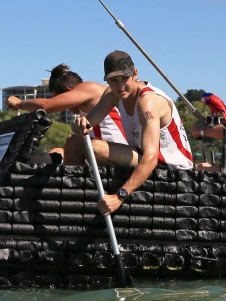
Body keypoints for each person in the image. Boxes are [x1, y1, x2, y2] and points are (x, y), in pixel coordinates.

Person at [67, 50, 194, 215]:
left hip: (172, 169)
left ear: (135, 74)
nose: (120, 87)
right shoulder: (112, 94)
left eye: (124, 79)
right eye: (113, 80)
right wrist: (79, 124)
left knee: (95, 147)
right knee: (74, 142)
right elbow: (86, 126)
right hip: (143, 156)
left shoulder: (148, 103)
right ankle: (70, 199)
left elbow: (151, 158)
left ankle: (85, 201)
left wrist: (120, 196)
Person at [7, 64, 128, 152]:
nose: (66, 108)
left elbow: (46, 105)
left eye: (60, 99)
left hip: (119, 150)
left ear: (68, 92)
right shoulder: (86, 100)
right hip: (101, 151)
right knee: (57, 152)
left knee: (73, 141)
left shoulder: (89, 88)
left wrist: (19, 103)